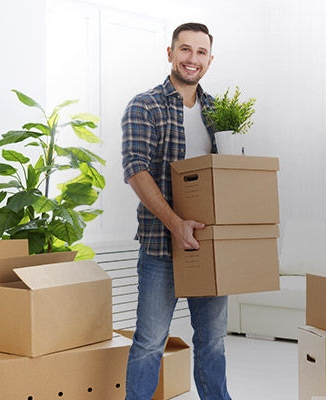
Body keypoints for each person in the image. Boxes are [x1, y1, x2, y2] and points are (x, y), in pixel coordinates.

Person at [121, 22, 232, 400]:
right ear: (170, 53)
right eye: (185, 50)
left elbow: (229, 174)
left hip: (208, 246)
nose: (192, 59)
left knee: (214, 341)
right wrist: (175, 224)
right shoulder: (145, 105)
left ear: (210, 60)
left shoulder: (218, 111)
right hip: (160, 246)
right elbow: (135, 169)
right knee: (151, 342)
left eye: (201, 53)